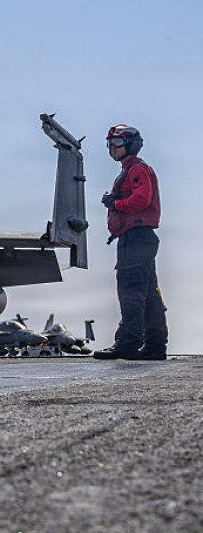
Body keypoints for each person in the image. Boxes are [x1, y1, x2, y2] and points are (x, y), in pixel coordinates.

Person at [94, 125, 167, 360]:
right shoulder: (131, 169)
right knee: (149, 293)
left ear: (130, 145)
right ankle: (155, 346)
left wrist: (116, 204)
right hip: (140, 238)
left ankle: (127, 343)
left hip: (135, 238)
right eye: (109, 144)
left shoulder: (137, 169)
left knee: (130, 290)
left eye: (116, 143)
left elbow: (141, 199)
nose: (111, 149)